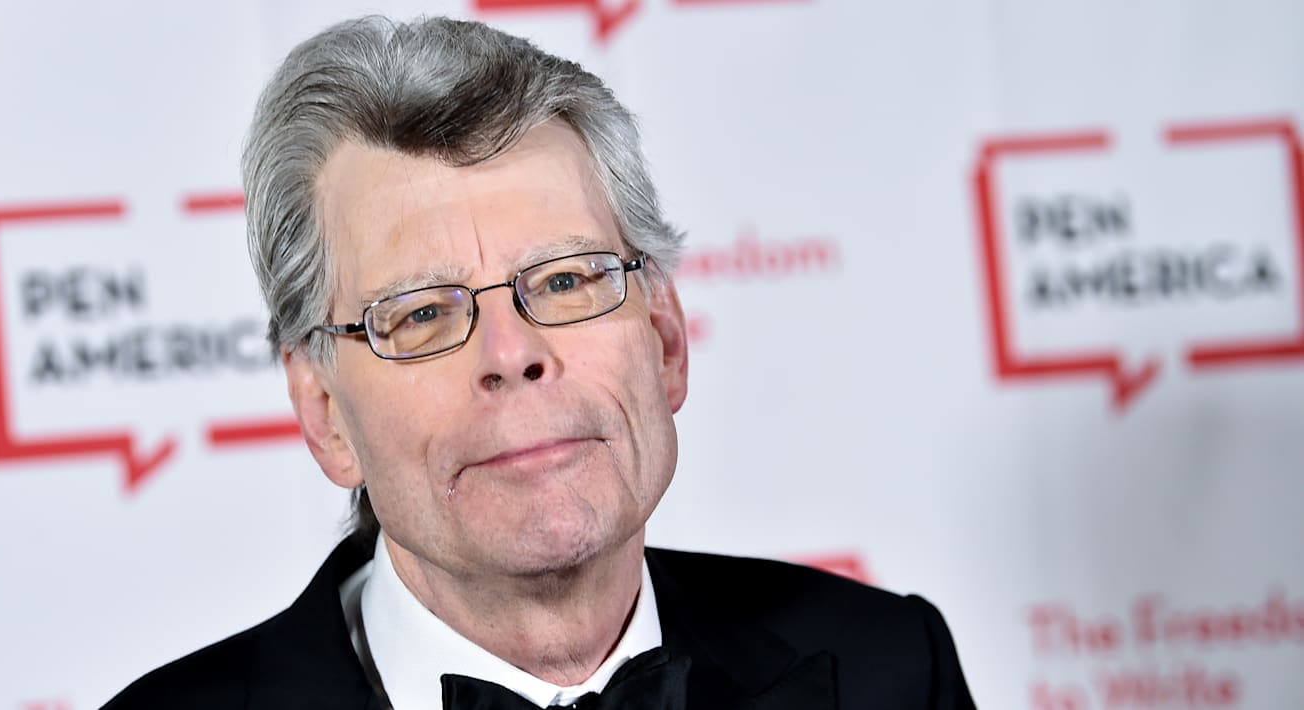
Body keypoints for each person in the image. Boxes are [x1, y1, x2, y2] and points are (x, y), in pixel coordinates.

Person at [105, 14, 976, 710]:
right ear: (325, 414)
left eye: (565, 281)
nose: (513, 353)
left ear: (666, 340)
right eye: (422, 313)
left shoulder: (892, 667)